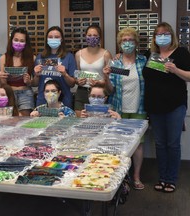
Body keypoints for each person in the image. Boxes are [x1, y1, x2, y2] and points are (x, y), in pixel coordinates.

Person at [142, 22, 190, 193]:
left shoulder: (181, 53)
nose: (162, 36)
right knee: (160, 144)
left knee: (173, 143)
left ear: (172, 35)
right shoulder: (150, 54)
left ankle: (171, 179)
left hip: (175, 105)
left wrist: (176, 70)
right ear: (154, 37)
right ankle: (162, 178)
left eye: (166, 33)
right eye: (159, 34)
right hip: (155, 106)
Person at [104, 27, 147, 190]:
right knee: (119, 143)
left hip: (139, 108)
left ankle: (136, 176)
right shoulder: (115, 62)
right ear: (119, 43)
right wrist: (106, 77)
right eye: (124, 40)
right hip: (118, 108)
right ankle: (121, 177)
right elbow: (110, 90)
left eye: (130, 40)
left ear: (136, 43)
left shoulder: (143, 60)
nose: (127, 43)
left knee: (138, 144)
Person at [32, 26, 77, 109]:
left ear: (61, 39)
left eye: (56, 37)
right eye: (50, 37)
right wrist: (36, 75)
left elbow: (72, 84)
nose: (53, 39)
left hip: (64, 101)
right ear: (46, 39)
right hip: (43, 101)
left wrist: (65, 74)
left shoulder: (69, 57)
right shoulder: (40, 57)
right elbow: (34, 84)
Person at [0, 27, 35, 116]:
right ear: (11, 40)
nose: (18, 43)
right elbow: (3, 83)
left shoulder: (32, 58)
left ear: (26, 43)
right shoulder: (3, 58)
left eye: (22, 41)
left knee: (24, 120)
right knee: (10, 119)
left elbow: (34, 82)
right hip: (9, 93)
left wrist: (29, 81)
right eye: (16, 40)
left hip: (26, 93)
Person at [74, 24, 112, 117]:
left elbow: (111, 77)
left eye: (95, 36)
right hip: (82, 92)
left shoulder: (106, 54)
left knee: (99, 119)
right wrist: (78, 81)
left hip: (99, 93)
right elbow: (77, 74)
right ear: (85, 36)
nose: (92, 38)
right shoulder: (79, 54)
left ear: (100, 37)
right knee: (79, 119)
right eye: (89, 35)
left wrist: (100, 82)